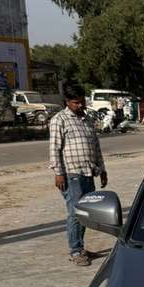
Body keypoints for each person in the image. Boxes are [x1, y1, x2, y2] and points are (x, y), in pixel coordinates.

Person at [49, 83, 108, 266]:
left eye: (82, 101)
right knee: (75, 213)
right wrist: (59, 173)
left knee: (85, 212)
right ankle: (75, 251)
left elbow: (95, 146)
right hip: (71, 174)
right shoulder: (60, 119)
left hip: (88, 172)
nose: (80, 105)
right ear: (67, 102)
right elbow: (55, 148)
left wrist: (102, 169)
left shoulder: (87, 119)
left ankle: (81, 247)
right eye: (76, 103)